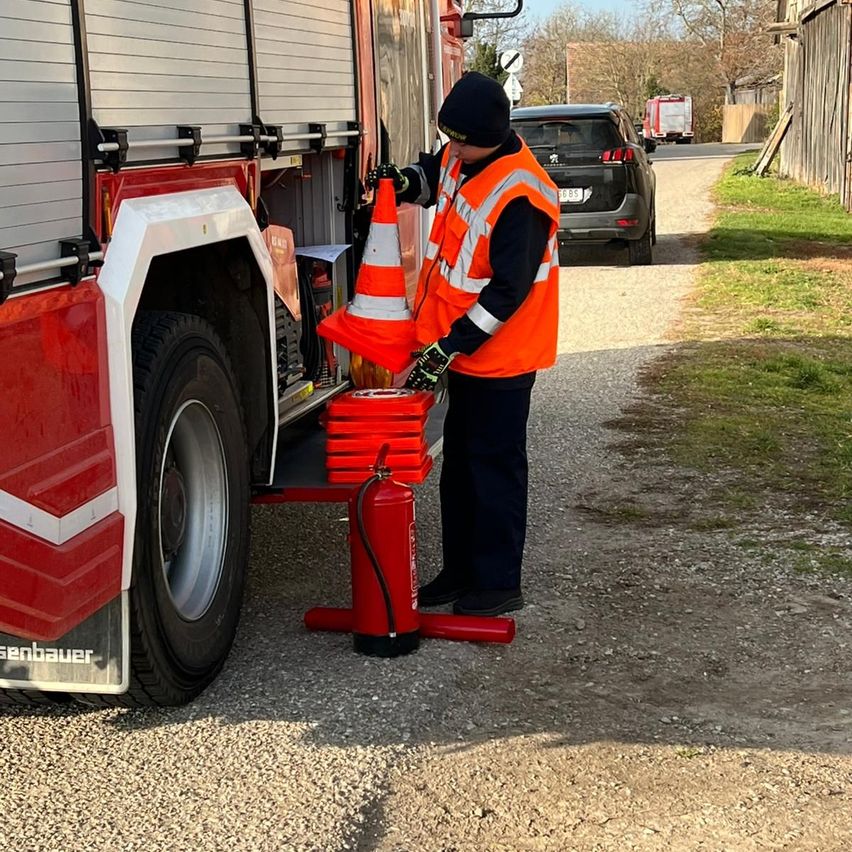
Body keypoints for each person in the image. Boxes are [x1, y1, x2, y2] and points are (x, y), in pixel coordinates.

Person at [366, 72, 560, 617]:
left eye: (461, 141)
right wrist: (403, 180)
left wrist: (443, 350)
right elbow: (433, 176)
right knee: (460, 468)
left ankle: (498, 584)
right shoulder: (462, 155)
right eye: (447, 138)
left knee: (493, 467)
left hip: (502, 357)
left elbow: (506, 293)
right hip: (466, 353)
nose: (452, 149)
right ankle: (459, 572)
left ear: (492, 135)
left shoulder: (522, 194)